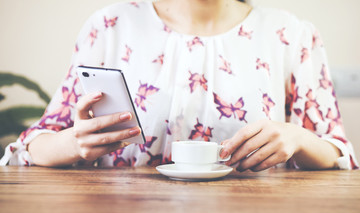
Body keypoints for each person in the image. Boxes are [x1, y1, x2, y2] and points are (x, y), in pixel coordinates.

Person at [0, 0, 358, 171]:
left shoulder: (290, 35)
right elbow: (32, 147)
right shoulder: (109, 27)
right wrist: (73, 142)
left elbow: (338, 152)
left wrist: (297, 138)